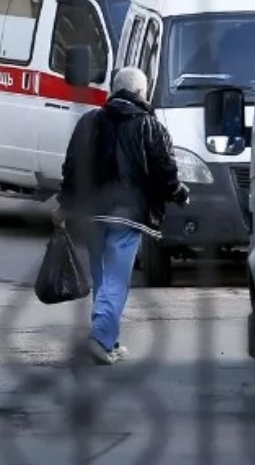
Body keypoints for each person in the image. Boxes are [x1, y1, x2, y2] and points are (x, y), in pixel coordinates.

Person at [54, 66, 191, 365]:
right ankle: (101, 337)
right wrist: (180, 193)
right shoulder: (150, 127)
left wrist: (65, 203)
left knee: (103, 278)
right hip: (128, 215)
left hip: (92, 213)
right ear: (141, 93)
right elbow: (165, 172)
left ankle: (108, 340)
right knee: (117, 280)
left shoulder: (89, 122)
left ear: (114, 90)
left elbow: (72, 167)